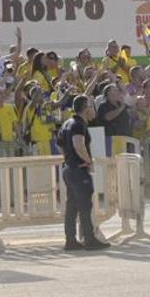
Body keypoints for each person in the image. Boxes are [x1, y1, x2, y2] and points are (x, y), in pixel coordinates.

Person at [59, 95, 109, 251]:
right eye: (91, 106)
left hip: (69, 168)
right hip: (78, 170)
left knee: (72, 206)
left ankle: (71, 240)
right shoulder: (78, 124)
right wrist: (88, 161)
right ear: (85, 108)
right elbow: (78, 145)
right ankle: (89, 239)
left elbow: (59, 144)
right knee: (85, 206)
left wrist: (68, 157)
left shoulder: (67, 123)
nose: (93, 109)